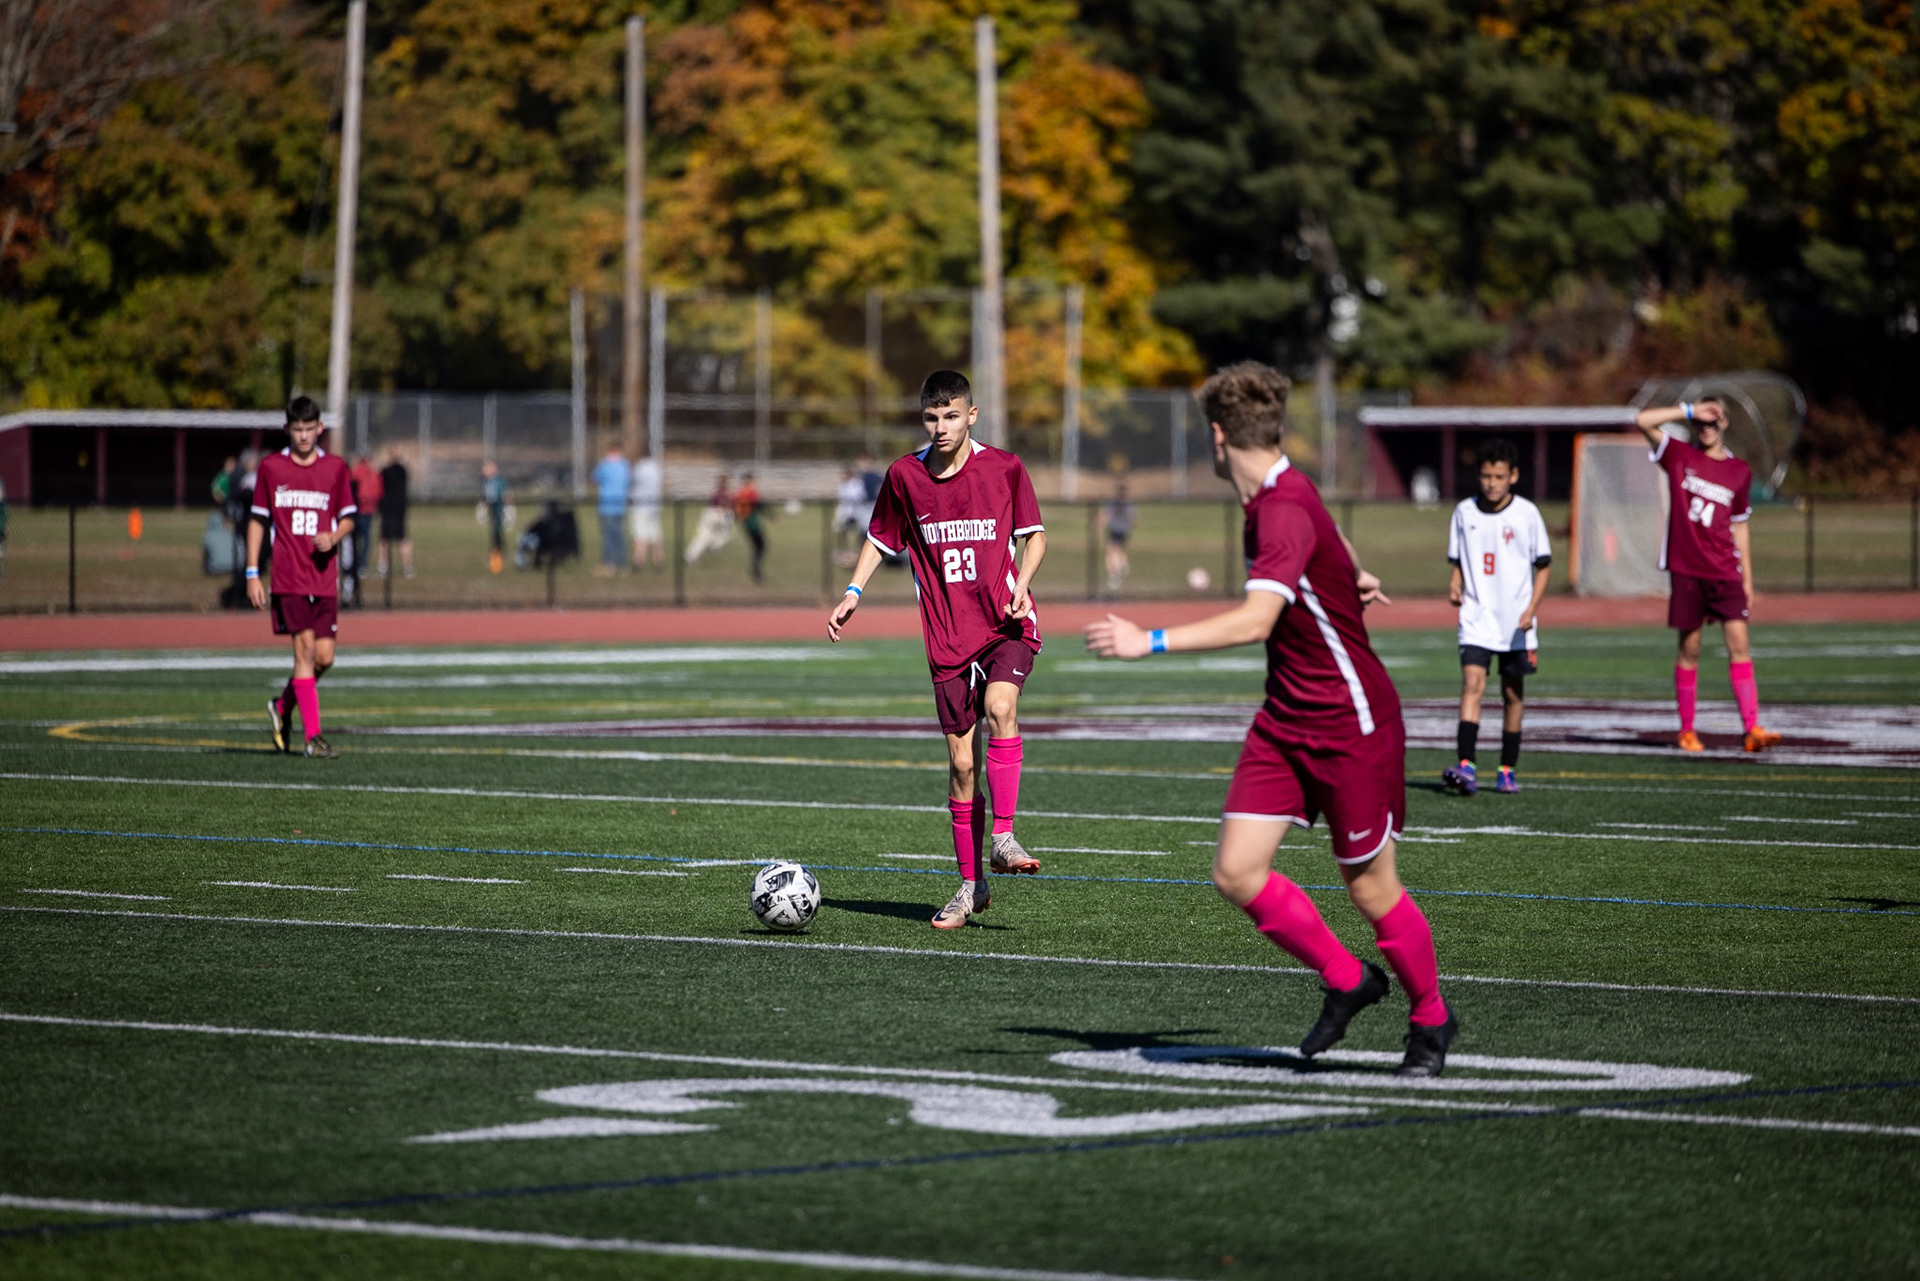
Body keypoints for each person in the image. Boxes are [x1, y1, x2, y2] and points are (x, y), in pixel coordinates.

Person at [1083, 361, 1457, 1077]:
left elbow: (1257, 619)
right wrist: (1352, 569)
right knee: (1237, 870)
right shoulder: (1281, 494)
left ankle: (1432, 1018)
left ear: (1218, 437)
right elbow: (1326, 535)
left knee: (1371, 887)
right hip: (1286, 717)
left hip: (1350, 721)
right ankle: (1348, 979)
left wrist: (1147, 640)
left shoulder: (1279, 509)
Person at [829, 369, 1048, 929]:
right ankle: (970, 887)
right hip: (947, 637)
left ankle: (1004, 837)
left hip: (1005, 624)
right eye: (932, 418)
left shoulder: (1005, 467)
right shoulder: (904, 476)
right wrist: (853, 592)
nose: (941, 427)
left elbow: (1034, 536)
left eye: (952, 416)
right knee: (961, 766)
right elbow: (879, 540)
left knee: (1001, 707)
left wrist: (1022, 585)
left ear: (971, 415)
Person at [1633, 397, 1781, 753]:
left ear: (1725, 423)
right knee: (1691, 647)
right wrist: (1688, 410)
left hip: (1725, 570)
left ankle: (1752, 728)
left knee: (1739, 645)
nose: (1707, 428)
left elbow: (1740, 526)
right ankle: (1687, 730)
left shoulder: (1739, 471)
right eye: (1701, 422)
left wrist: (1747, 579)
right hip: (1687, 569)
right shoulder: (1679, 455)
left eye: (1713, 421)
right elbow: (1643, 420)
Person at [247, 396, 355, 759]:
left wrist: (334, 537)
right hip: (289, 577)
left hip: (323, 578)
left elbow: (349, 517)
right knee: (305, 650)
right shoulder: (272, 467)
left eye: (310, 429)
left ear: (320, 428)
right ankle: (313, 738)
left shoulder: (335, 468)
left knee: (324, 658)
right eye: (297, 429)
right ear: (287, 430)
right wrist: (252, 572)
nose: (304, 436)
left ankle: (282, 707)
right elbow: (257, 520)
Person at [1442, 438, 1551, 796]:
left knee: (1512, 694)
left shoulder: (1527, 514)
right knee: (1472, 685)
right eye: (1486, 476)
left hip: (1516, 623)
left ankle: (1507, 769)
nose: (1492, 483)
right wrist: (1455, 583)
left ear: (1513, 476)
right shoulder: (1464, 512)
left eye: (1499, 476)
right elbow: (1459, 559)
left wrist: (1531, 609)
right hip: (1477, 617)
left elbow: (1543, 566)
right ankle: (1466, 767)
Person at [591, 443, 630, 574]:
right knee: (619, 535)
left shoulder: (605, 465)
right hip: (620, 506)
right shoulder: (625, 465)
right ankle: (622, 563)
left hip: (606, 506)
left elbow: (595, 478)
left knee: (608, 536)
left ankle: (609, 563)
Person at [377, 448, 413, 579]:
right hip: (400, 510)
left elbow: (379, 483)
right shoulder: (403, 472)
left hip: (387, 510)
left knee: (384, 539)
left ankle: (383, 566)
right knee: (402, 538)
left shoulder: (386, 472)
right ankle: (407, 567)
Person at [350, 452, 382, 597]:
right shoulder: (373, 474)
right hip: (368, 510)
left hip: (356, 509)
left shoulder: (354, 472)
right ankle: (362, 564)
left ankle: (354, 563)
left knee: (354, 540)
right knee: (366, 539)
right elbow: (378, 491)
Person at [684, 473, 735, 563]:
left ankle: (692, 555)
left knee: (705, 535)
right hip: (717, 514)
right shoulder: (723, 493)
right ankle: (712, 546)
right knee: (721, 534)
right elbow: (724, 506)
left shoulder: (718, 492)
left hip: (712, 514)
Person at [629, 448, 665, 571]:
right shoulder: (656, 467)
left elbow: (632, 483)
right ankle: (658, 562)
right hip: (655, 507)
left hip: (641, 506)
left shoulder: (640, 467)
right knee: (656, 536)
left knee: (640, 535)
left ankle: (638, 562)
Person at [1099, 480, 1135, 596]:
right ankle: (1122, 565)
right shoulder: (1127, 503)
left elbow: (1106, 516)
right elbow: (1133, 518)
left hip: (1118, 529)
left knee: (1112, 551)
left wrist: (1100, 524)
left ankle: (1115, 575)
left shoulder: (1119, 503)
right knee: (1117, 550)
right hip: (1120, 529)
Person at [832, 464, 871, 568]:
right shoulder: (842, 485)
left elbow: (859, 495)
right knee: (842, 532)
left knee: (858, 533)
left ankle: (858, 552)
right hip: (845, 512)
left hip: (856, 512)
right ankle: (842, 551)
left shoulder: (856, 484)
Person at [735, 470, 767, 582]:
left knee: (757, 546)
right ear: (748, 480)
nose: (754, 482)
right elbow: (759, 505)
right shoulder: (750, 491)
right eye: (752, 479)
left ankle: (755, 569)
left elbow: (737, 508)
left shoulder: (740, 491)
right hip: (751, 521)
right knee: (761, 545)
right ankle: (756, 570)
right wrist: (772, 516)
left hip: (745, 522)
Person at [480, 458, 511, 574]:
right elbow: (487, 496)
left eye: (487, 468)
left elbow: (506, 495)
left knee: (497, 534)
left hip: (499, 510)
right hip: (492, 510)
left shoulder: (498, 480)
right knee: (494, 534)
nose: (484, 470)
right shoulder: (487, 481)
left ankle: (498, 557)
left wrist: (508, 509)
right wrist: (484, 505)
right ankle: (496, 555)